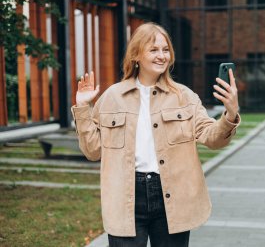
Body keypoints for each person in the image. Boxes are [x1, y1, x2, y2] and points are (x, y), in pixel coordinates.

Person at [71, 22, 240, 247]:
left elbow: (213, 138)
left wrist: (230, 113)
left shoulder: (184, 97)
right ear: (136, 55)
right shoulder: (112, 97)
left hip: (172, 195)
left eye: (165, 49)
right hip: (125, 197)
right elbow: (92, 150)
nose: (162, 56)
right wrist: (82, 107)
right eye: (153, 50)